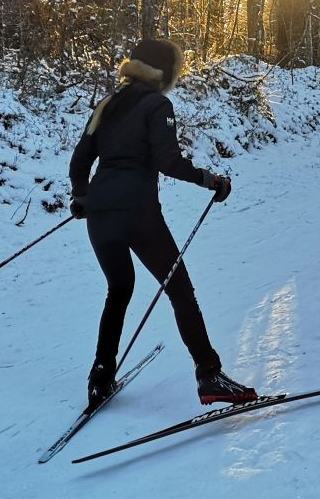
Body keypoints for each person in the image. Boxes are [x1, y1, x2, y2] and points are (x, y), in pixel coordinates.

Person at [69, 37, 257, 409]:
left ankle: (99, 378)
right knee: (180, 291)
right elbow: (167, 161)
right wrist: (211, 180)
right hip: (138, 213)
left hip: (101, 217)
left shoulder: (107, 105)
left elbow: (79, 162)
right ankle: (210, 375)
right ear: (163, 72)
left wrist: (83, 198)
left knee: (118, 290)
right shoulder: (158, 104)